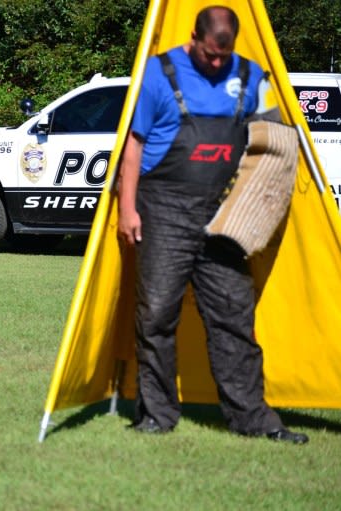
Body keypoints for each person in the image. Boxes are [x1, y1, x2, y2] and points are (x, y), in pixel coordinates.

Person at [117, 5, 308, 444]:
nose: (218, 64)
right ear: (194, 38)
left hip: (225, 215)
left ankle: (253, 419)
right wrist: (128, 209)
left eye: (224, 57)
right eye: (209, 55)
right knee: (157, 314)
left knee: (234, 319)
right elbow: (134, 144)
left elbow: (274, 140)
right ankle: (156, 415)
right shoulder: (157, 72)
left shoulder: (252, 75)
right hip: (164, 209)